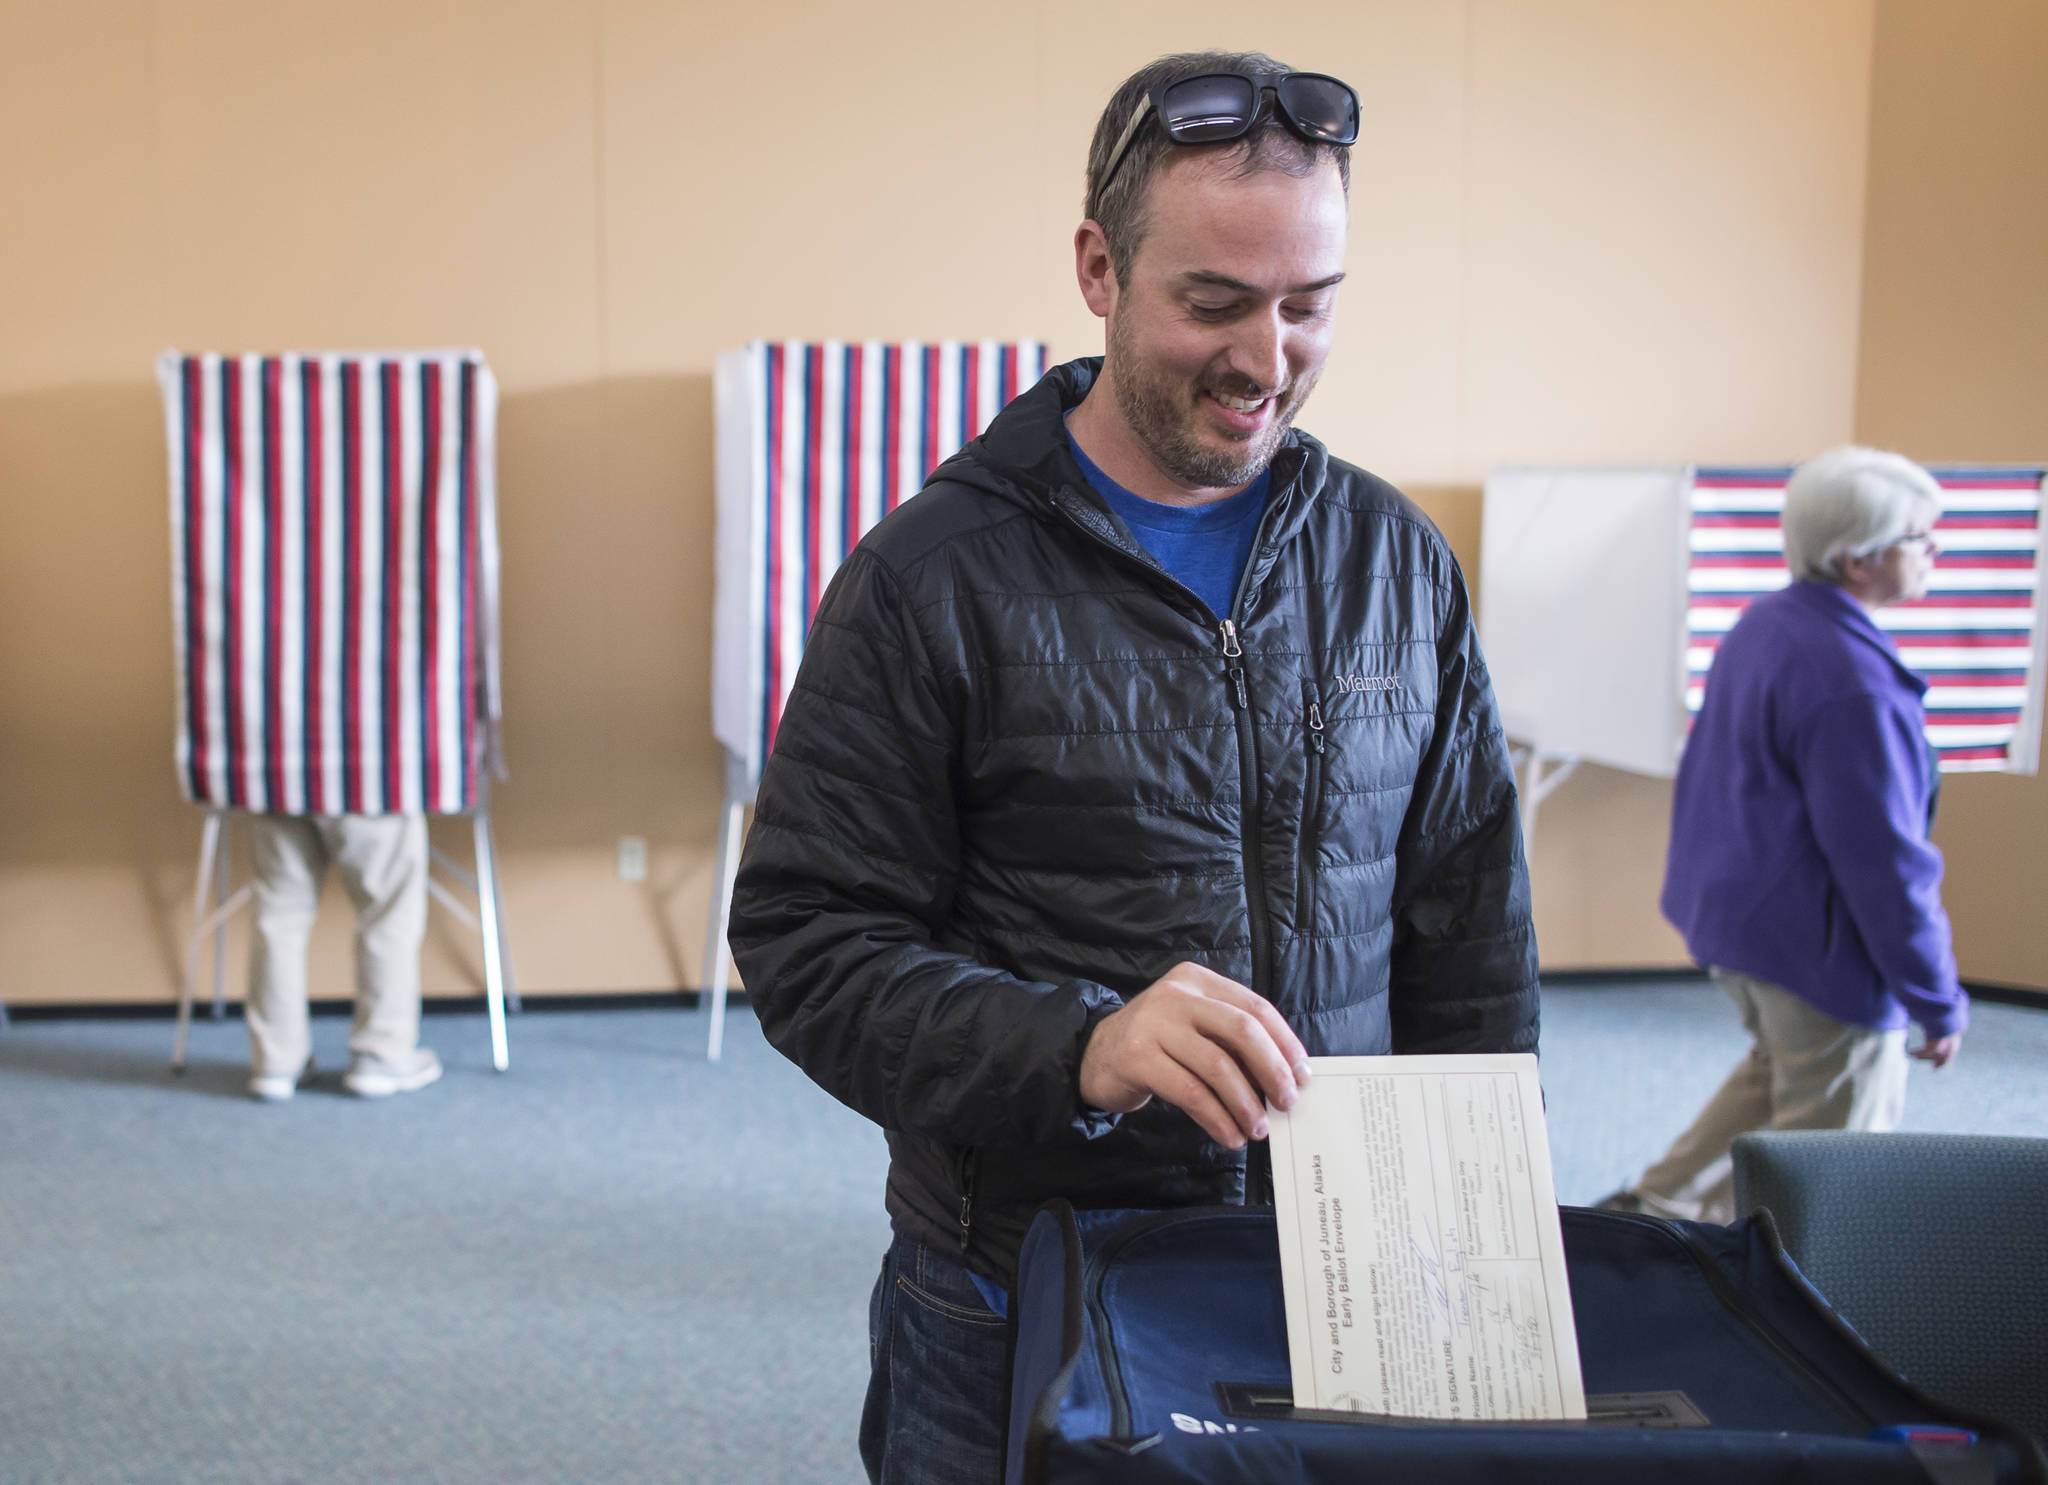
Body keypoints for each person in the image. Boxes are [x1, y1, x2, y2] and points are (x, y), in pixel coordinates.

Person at [728, 51, 1539, 1484]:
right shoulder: (932, 579)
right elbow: (807, 943)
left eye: (1310, 306)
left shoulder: (1396, 564)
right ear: (1099, 268)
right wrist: (1081, 1046)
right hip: (1014, 1290)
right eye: (1214, 303)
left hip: (1340, 1290)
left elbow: (1470, 940)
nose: (1265, 356)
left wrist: (1482, 1248)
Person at [1601, 446, 1966, 1224]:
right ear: (1856, 558)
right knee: (1829, 1166)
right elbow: (1888, 867)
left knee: (1777, 1076)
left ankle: (1647, 1211)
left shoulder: (1769, 623)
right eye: (1919, 537)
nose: (1937, 550)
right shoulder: (1856, 684)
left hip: (1746, 934)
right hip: (1820, 955)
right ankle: (1752, 1280)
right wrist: (1937, 998)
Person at [244, 813, 443, 1102]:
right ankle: (380, 1052)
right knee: (386, 912)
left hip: (275, 779)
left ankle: (276, 1064)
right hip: (370, 780)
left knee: (279, 914)